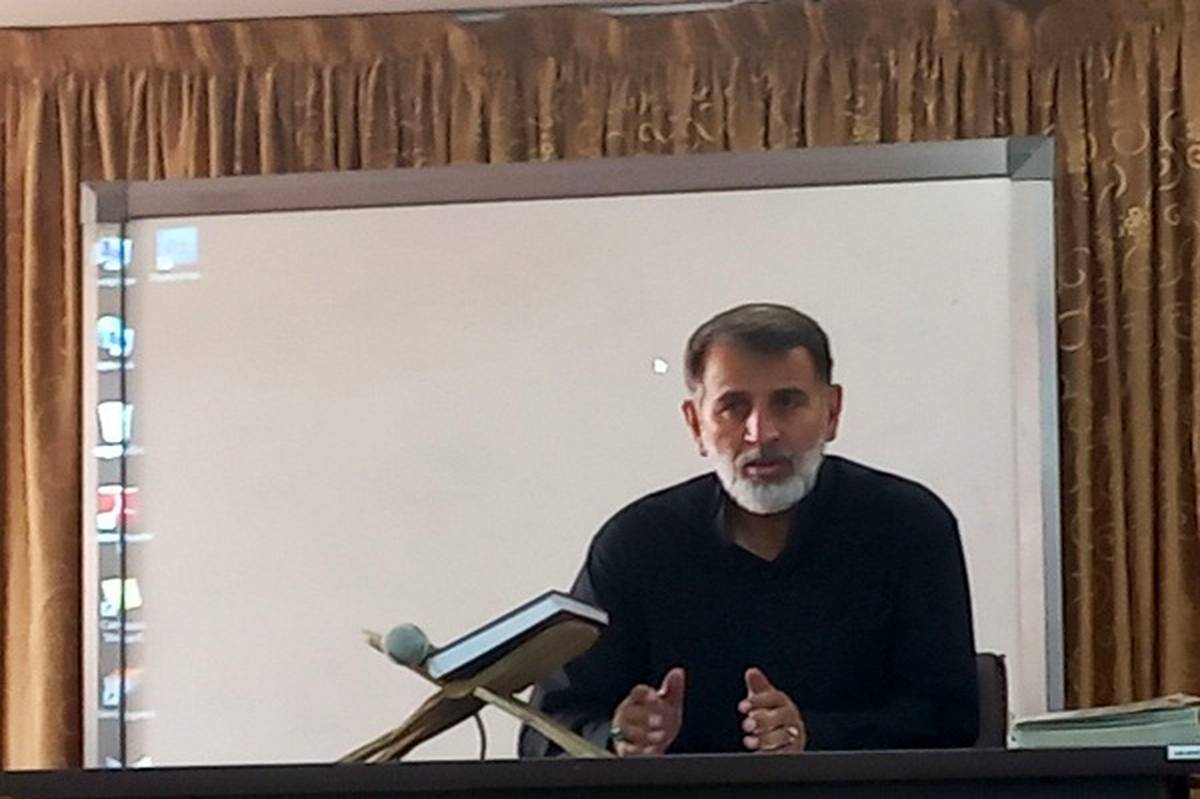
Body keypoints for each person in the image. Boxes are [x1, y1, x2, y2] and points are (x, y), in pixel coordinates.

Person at [518, 303, 978, 757]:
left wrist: (813, 736)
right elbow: (544, 731)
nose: (762, 432)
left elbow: (951, 718)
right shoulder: (637, 543)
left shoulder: (909, 527)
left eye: (787, 402)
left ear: (832, 412)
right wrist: (618, 738)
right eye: (733, 407)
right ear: (695, 423)